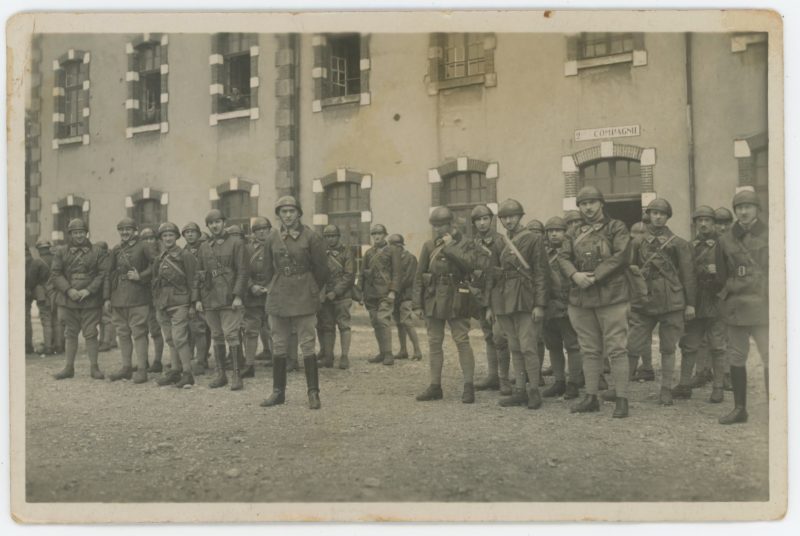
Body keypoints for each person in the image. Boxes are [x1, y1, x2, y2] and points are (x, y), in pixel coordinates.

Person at [558, 186, 631, 418]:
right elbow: (562, 256)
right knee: (588, 348)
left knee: (617, 348)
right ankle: (590, 397)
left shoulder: (616, 227)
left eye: (592, 202)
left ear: (601, 204)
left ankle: (622, 399)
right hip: (581, 296)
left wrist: (596, 276)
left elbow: (622, 255)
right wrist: (574, 275)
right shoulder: (572, 232)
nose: (587, 207)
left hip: (612, 295)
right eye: (583, 203)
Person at [260, 196, 329, 409]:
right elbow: (267, 270)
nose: (287, 215)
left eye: (291, 211)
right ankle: (278, 392)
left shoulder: (311, 237)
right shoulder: (272, 238)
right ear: (278, 215)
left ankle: (313, 393)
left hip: (304, 294)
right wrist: (273, 287)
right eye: (283, 211)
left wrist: (308, 287)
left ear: (298, 213)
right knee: (279, 343)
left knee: (307, 343)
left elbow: (321, 270)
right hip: (279, 294)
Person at [627, 198, 696, 406]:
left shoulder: (679, 243)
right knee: (632, 346)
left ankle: (666, 389)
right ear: (648, 215)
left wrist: (690, 303)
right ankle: (621, 389)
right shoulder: (637, 243)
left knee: (668, 348)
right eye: (654, 213)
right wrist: (630, 298)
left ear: (667, 217)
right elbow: (629, 271)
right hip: (644, 302)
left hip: (671, 302)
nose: (657, 217)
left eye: (662, 214)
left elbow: (688, 275)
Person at [413, 206, 478, 404]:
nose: (439, 229)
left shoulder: (466, 244)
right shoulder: (428, 246)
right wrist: (417, 304)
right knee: (434, 342)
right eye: (436, 226)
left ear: (452, 224)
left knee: (461, 340)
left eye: (442, 225)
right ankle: (435, 386)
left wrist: (450, 248)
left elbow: (469, 266)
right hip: (433, 297)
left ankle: (468, 386)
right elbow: (418, 276)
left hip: (456, 296)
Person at [489, 200, 548, 409]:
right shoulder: (499, 242)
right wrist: (491, 306)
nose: (508, 220)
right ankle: (520, 390)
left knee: (528, 346)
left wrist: (540, 304)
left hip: (525, 297)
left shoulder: (533, 239)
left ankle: (534, 390)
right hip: (504, 299)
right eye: (504, 217)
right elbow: (493, 275)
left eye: (512, 216)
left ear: (520, 217)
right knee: (514, 346)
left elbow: (541, 273)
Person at [717, 190, 769, 425]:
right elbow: (721, 275)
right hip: (737, 307)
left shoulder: (772, 234)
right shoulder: (725, 239)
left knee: (771, 356)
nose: (744, 212)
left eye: (748, 207)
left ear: (757, 209)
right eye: (739, 208)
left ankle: (775, 409)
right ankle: (740, 409)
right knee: (737, 357)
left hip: (765, 306)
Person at [671, 206, 727, 403]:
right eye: (699, 221)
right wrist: (687, 303)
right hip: (694, 302)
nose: (703, 224)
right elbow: (682, 275)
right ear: (695, 224)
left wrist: (717, 272)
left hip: (716, 301)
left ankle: (718, 387)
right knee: (689, 345)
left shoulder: (724, 245)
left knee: (718, 346)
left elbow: (733, 275)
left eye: (707, 220)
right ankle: (684, 385)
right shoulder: (688, 246)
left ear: (714, 223)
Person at [195, 209, 248, 390]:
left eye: (218, 222)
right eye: (211, 223)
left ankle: (236, 375)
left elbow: (242, 272)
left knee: (232, 335)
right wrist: (198, 299)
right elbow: (199, 275)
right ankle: (221, 375)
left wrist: (238, 295)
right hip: (210, 298)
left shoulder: (236, 243)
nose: (215, 226)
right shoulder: (204, 247)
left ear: (224, 223)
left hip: (228, 297)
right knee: (217, 335)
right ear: (208, 226)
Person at [50, 218, 107, 380]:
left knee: (90, 334)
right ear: (70, 234)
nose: (79, 236)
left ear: (86, 233)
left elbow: (102, 274)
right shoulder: (61, 252)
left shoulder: (97, 251)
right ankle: (69, 368)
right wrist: (68, 290)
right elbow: (55, 273)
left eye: (81, 232)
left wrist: (88, 291)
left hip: (90, 300)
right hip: (68, 300)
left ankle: (94, 368)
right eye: (75, 233)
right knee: (70, 333)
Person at [105, 218, 155, 383]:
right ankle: (126, 367)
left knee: (139, 333)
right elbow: (109, 273)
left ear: (135, 231)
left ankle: (142, 369)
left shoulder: (144, 246)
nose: (125, 232)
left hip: (138, 296)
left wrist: (141, 276)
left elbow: (156, 265)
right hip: (118, 297)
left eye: (128, 229)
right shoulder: (116, 249)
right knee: (123, 333)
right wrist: (107, 297)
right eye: (122, 229)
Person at [469, 204, 511, 395]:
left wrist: (494, 302)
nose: (482, 223)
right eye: (478, 219)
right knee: (488, 336)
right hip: (480, 297)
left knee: (500, 337)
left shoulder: (501, 241)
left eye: (485, 218)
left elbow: (505, 273)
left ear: (491, 220)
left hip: (498, 296)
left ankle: (504, 380)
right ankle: (493, 376)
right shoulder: (473, 244)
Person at [151, 222, 199, 388]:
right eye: (164, 236)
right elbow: (155, 281)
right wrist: (157, 302)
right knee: (170, 338)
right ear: (161, 238)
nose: (168, 238)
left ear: (177, 237)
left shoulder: (185, 255)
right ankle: (175, 370)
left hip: (180, 301)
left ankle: (187, 373)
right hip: (163, 303)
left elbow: (193, 280)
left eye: (171, 235)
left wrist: (193, 304)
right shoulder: (160, 257)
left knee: (179, 337)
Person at [542, 216, 583, 400]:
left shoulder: (574, 251)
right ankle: (559, 382)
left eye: (558, 230)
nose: (554, 234)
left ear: (565, 232)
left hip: (569, 305)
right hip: (549, 307)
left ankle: (574, 383)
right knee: (553, 346)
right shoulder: (542, 253)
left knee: (573, 345)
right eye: (550, 231)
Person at [360, 223, 402, 366]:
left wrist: (393, 291)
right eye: (374, 234)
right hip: (371, 294)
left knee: (383, 320)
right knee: (376, 323)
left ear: (385, 235)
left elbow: (397, 273)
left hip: (385, 292)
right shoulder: (368, 253)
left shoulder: (392, 251)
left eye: (379, 234)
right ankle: (382, 352)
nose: (376, 236)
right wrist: (360, 293)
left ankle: (389, 354)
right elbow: (362, 274)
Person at [242, 217, 272, 377]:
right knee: (251, 331)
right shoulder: (246, 250)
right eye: (258, 229)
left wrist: (270, 287)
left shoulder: (276, 247)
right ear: (253, 233)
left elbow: (281, 270)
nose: (261, 232)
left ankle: (278, 361)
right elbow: (241, 271)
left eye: (264, 229)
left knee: (274, 329)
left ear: (269, 230)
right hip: (252, 296)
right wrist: (251, 286)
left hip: (271, 295)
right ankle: (249, 365)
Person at [388, 233, 423, 362]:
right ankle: (403, 350)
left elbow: (408, 278)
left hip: (406, 295)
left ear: (400, 246)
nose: (392, 250)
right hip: (396, 295)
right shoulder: (392, 259)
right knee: (399, 323)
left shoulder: (410, 258)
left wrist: (393, 287)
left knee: (407, 322)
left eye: (394, 247)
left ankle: (417, 351)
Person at [182, 222, 210, 375]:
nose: (190, 234)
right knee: (194, 328)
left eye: (193, 232)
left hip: (204, 293)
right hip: (188, 293)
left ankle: (201, 360)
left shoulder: (205, 249)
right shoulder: (183, 251)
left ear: (199, 234)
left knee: (202, 329)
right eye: (187, 232)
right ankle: (198, 359)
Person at [627, 221, 654, 382]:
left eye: (641, 232)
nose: (637, 236)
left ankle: (646, 367)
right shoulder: (632, 247)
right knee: (640, 333)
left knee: (638, 332)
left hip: (642, 294)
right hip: (636, 293)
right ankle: (646, 367)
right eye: (635, 232)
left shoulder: (647, 247)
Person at [138, 226, 166, 372]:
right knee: (140, 331)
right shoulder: (138, 254)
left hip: (158, 297)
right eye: (145, 239)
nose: (149, 241)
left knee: (156, 330)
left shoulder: (161, 254)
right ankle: (143, 361)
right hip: (142, 297)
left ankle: (157, 361)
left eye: (151, 238)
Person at [36, 239, 64, 355]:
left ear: (39, 249)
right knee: (57, 321)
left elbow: (32, 280)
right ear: (48, 248)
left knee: (46, 321)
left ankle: (48, 348)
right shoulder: (56, 259)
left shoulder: (37, 262)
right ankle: (59, 346)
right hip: (56, 294)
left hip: (43, 295)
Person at [25, 245, 50, 354]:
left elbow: (31, 279)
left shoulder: (35, 262)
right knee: (48, 318)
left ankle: (27, 346)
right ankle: (51, 346)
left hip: (33, 291)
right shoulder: (36, 261)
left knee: (25, 319)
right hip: (47, 291)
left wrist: (29, 288)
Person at [94, 241, 117, 353]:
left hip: (106, 294)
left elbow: (106, 281)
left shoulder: (105, 262)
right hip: (106, 294)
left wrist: (106, 297)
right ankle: (109, 340)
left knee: (106, 319)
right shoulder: (107, 260)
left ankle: (106, 342)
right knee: (107, 318)